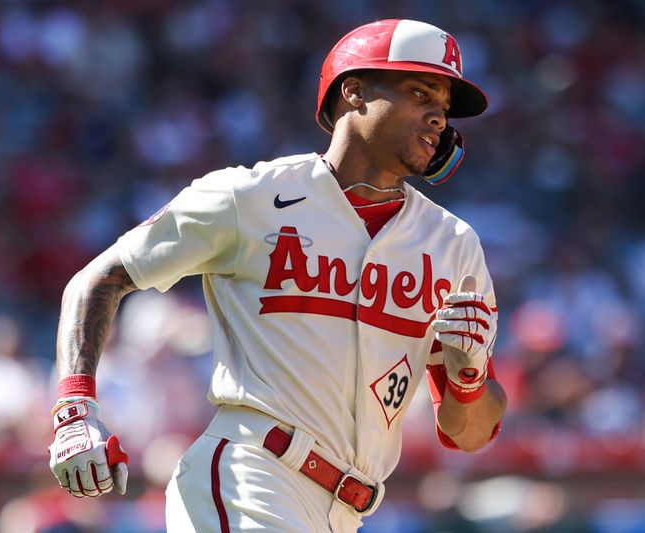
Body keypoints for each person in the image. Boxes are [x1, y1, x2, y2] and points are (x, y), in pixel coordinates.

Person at [48, 18, 507, 532]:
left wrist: (468, 378)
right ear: (352, 92)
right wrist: (74, 410)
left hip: (347, 511)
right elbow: (100, 279)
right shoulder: (250, 197)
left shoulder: (454, 245)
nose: (438, 118)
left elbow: (470, 434)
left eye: (443, 107)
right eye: (420, 92)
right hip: (253, 473)